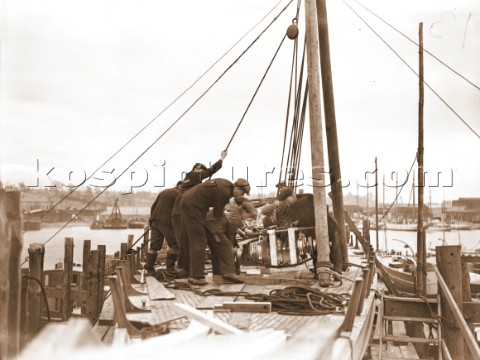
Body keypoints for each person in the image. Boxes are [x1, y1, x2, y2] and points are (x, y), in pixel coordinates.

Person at [181, 178, 250, 285]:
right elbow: (218, 213)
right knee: (201, 241)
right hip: (194, 207)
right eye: (242, 192)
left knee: (214, 243)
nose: (241, 195)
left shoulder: (225, 185)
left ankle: (218, 273)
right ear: (236, 188)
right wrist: (224, 215)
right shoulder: (225, 193)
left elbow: (217, 211)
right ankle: (196, 276)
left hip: (193, 205)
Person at [171, 150, 227, 275]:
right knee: (193, 241)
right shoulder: (193, 175)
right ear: (197, 169)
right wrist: (222, 159)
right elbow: (209, 171)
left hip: (181, 212)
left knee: (186, 241)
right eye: (201, 171)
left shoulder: (190, 181)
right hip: (184, 212)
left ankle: (186, 268)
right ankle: (189, 269)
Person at [145, 180, 183, 274]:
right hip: (166, 222)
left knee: (154, 246)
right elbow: (178, 211)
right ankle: (170, 269)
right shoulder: (179, 194)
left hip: (155, 220)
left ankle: (149, 268)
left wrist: (151, 220)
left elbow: (153, 206)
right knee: (175, 245)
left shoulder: (164, 191)